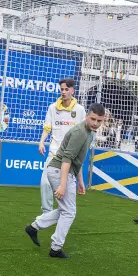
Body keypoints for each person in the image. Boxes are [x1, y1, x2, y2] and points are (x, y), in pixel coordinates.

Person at [24, 104, 106, 258]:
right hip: (59, 171)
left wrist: (80, 181)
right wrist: (62, 185)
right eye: (93, 119)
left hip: (64, 172)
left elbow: (77, 160)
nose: (95, 123)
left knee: (65, 210)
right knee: (69, 212)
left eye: (99, 121)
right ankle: (55, 248)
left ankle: (34, 227)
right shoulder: (80, 132)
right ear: (87, 116)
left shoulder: (89, 133)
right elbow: (67, 159)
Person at [37, 78, 86, 213]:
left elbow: (84, 131)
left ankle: (65, 211)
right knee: (45, 183)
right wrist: (41, 142)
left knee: (68, 187)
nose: (63, 92)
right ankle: (46, 212)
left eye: (66, 89)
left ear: (72, 90)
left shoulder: (80, 110)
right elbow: (47, 127)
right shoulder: (53, 107)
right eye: (62, 89)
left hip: (70, 155)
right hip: (54, 153)